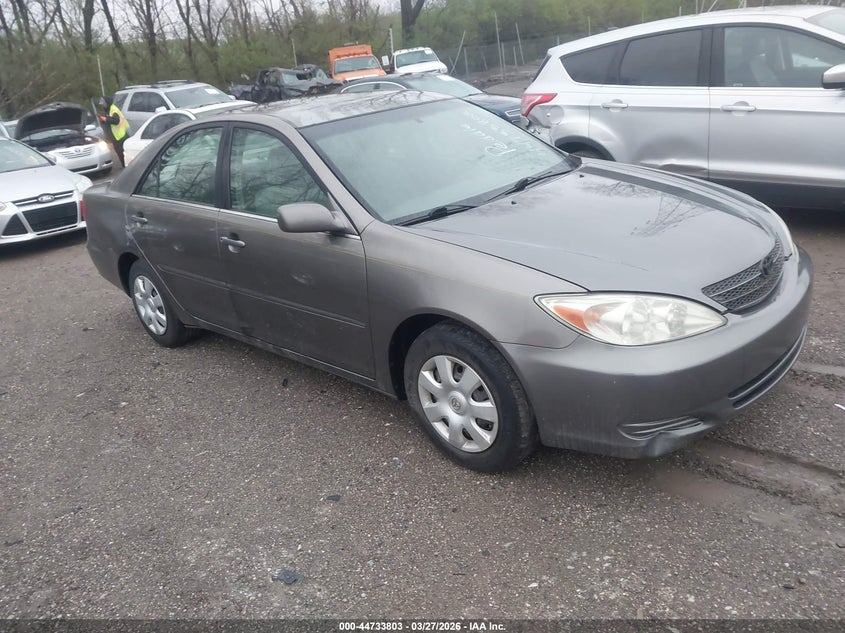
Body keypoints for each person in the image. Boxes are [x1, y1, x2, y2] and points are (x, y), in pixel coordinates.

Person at [97, 96, 130, 168]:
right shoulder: (107, 110)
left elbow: (116, 121)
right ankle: (125, 166)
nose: (102, 105)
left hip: (120, 136)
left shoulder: (113, 110)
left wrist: (105, 119)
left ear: (107, 102)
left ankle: (126, 167)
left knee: (123, 153)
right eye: (101, 104)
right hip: (116, 137)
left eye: (104, 103)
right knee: (121, 153)